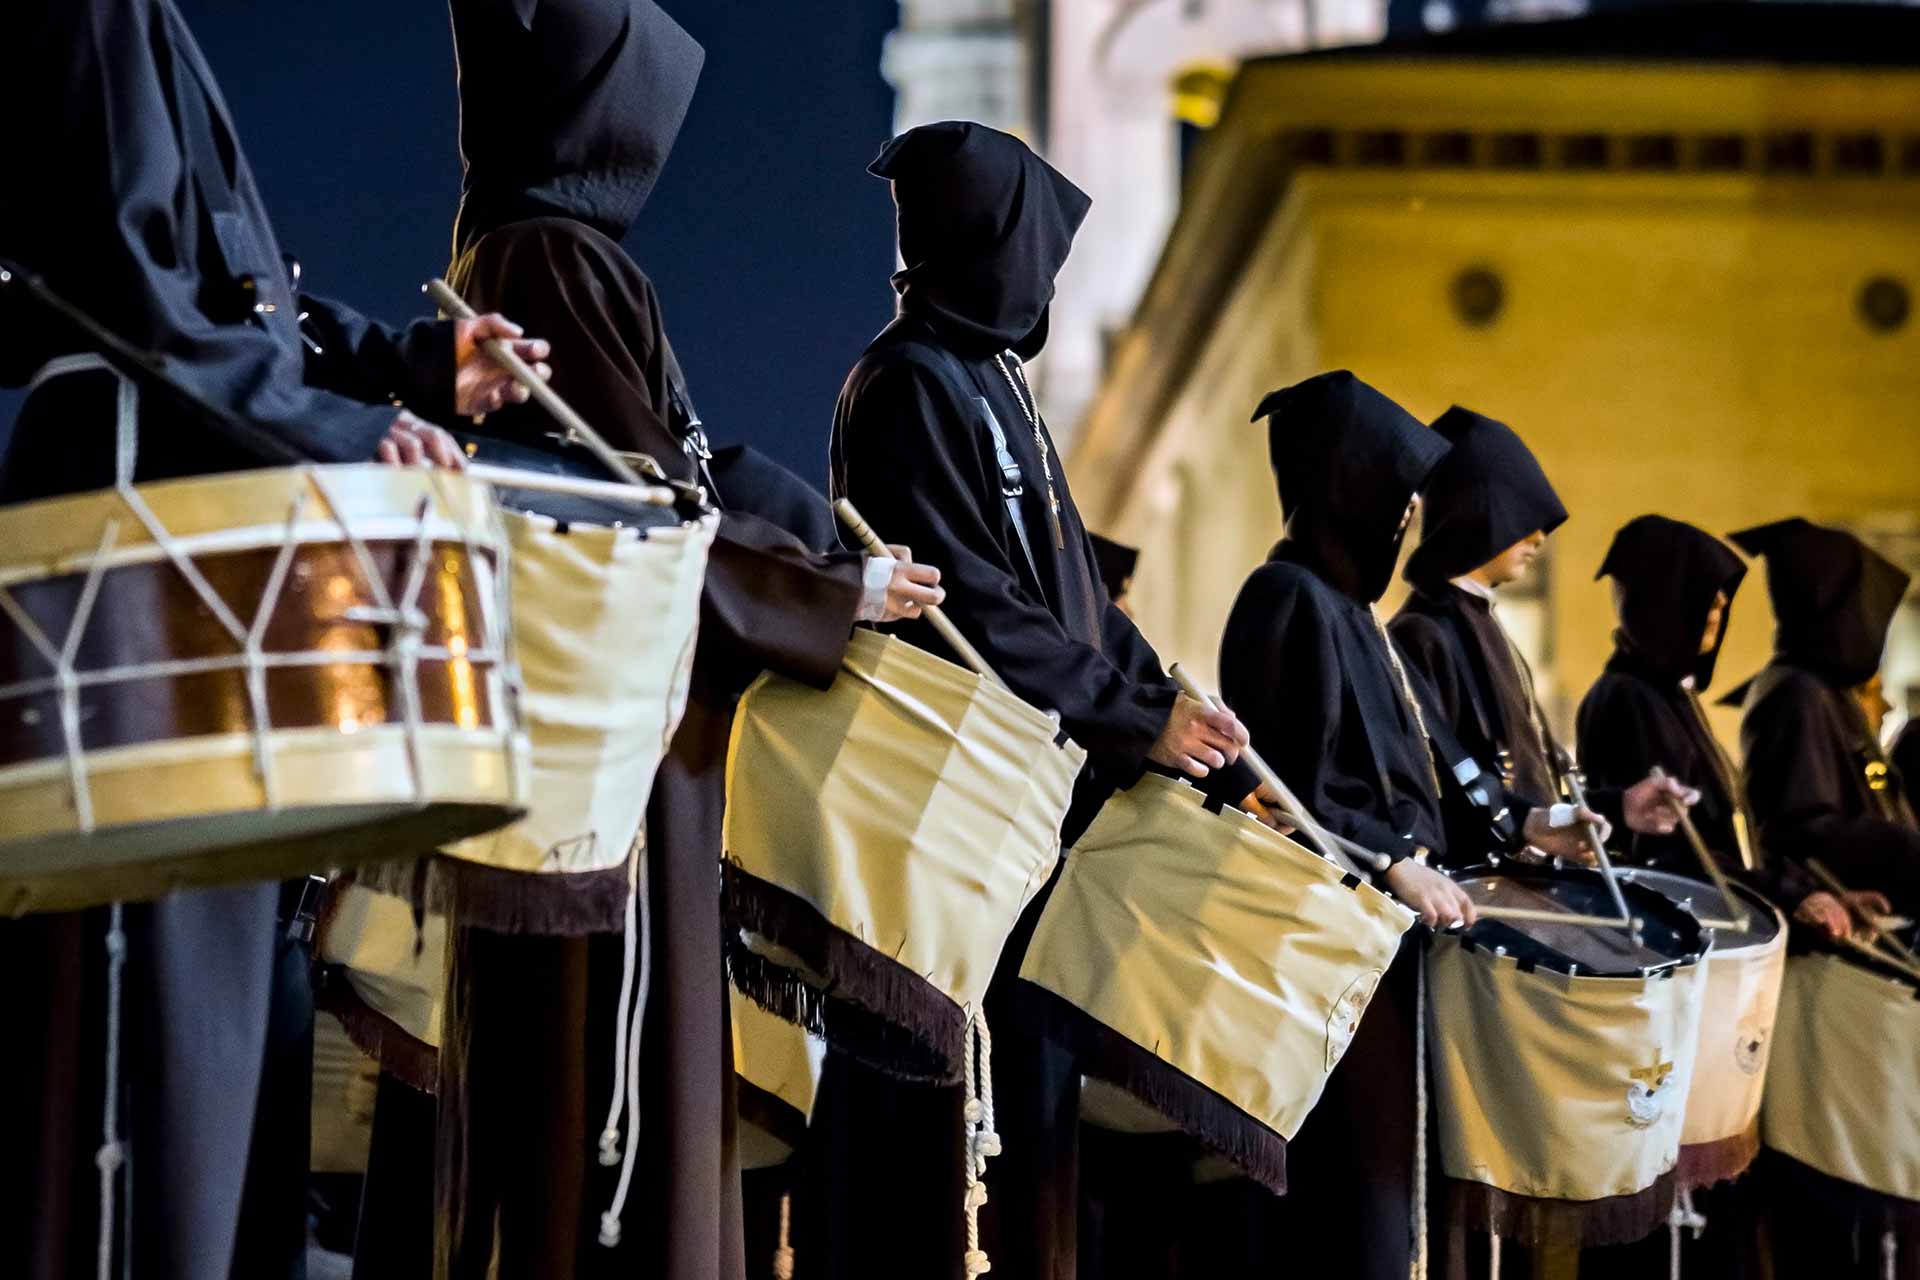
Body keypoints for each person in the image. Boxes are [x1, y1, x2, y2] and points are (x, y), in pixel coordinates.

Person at [0, 3, 542, 1277]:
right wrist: (340, 433)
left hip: (185, 491)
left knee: (210, 1047)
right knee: (140, 1053)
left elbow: (230, 294)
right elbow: (128, 291)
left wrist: (412, 363)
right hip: (147, 510)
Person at [425, 5, 942, 1279]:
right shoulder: (551, 254)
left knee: (585, 1065)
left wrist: (819, 552)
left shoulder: (538, 249)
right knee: (604, 1071)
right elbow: (640, 516)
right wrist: (839, 593)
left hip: (604, 733)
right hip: (610, 746)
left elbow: (684, 473)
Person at [822, 120, 1254, 1280]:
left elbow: (1073, 599)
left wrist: (1163, 696)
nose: (1047, 284)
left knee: (1032, 1130)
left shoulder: (992, 379)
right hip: (950, 833)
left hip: (1029, 823)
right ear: (988, 244)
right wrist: (1124, 715)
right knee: (937, 1138)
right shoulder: (907, 383)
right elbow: (973, 613)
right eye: (1036, 257)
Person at [1204, 371, 1601, 1280]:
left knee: (1390, 1196)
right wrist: (1389, 863)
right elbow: (1281, 792)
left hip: (1382, 950)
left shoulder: (1352, 612)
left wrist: (1519, 831)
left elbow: (1419, 770)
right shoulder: (1286, 597)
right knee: (1349, 1206)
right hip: (1324, 959)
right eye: (1395, 501)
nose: (1405, 524)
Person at [1720, 517, 1919, 1280]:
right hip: (1827, 967)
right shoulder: (1795, 694)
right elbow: (1802, 827)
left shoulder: (1827, 695)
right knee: (1834, 1177)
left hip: (1860, 958)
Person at [1388, 407, 1694, 857]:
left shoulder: (1482, 621)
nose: (1538, 537)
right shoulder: (1424, 633)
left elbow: (1536, 785)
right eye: (1520, 517)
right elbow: (1443, 788)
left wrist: (1618, 806)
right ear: (1477, 513)